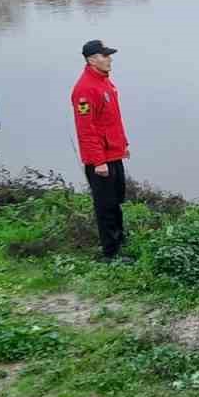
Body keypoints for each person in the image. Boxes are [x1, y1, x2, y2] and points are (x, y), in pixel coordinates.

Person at [72, 39, 130, 259]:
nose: (109, 59)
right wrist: (98, 162)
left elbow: (112, 120)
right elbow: (86, 130)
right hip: (100, 160)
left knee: (116, 200)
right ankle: (111, 253)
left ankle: (120, 239)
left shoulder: (104, 82)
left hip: (113, 153)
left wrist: (123, 145)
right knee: (105, 206)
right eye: (105, 56)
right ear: (92, 59)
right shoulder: (85, 90)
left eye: (108, 55)